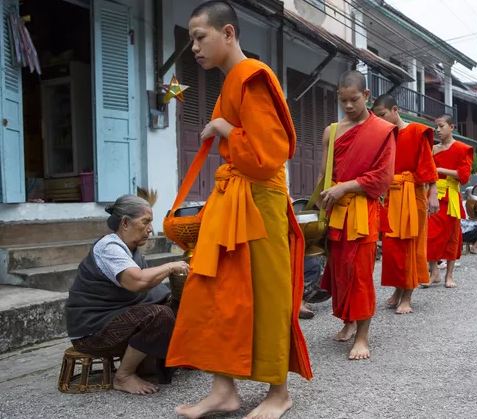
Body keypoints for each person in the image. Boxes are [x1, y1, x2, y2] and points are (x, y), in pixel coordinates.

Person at [166, 2, 312, 418]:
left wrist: (224, 128)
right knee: (215, 291)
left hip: (259, 202)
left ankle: (278, 392)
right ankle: (222, 388)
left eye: (200, 37)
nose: (193, 47)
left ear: (228, 33)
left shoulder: (252, 77)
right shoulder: (232, 80)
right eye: (191, 39)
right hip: (233, 201)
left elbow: (268, 155)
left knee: (266, 292)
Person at [65, 195, 189, 395]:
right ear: (125, 223)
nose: (150, 229)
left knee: (178, 306)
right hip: (92, 331)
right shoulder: (109, 248)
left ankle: (158, 362)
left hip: (116, 319)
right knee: (159, 315)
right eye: (145, 222)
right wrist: (170, 266)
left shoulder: (132, 250)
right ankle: (123, 377)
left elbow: (152, 292)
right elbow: (137, 282)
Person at [319, 70, 396, 360]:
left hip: (362, 210)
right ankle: (348, 321)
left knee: (360, 272)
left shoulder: (381, 131)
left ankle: (363, 336)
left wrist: (347, 187)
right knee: (340, 271)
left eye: (354, 100)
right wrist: (321, 201)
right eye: (343, 101)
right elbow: (325, 174)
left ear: (366, 96)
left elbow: (383, 177)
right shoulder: (332, 131)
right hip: (336, 210)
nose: (349, 106)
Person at [372, 94, 438, 314]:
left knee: (411, 244)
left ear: (395, 110)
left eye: (382, 115)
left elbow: (428, 165)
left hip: (413, 193)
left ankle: (407, 295)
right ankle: (398, 290)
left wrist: (433, 193)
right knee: (392, 246)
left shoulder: (417, 131)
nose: (380, 120)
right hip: (392, 194)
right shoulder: (384, 135)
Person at [426, 114, 473, 288]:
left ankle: (449, 275)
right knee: (429, 235)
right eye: (436, 127)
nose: (438, 130)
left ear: (452, 127)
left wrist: (440, 169)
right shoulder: (432, 149)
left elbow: (464, 175)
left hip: (451, 194)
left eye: (441, 126)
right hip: (432, 194)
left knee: (452, 236)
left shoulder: (462, 149)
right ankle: (434, 271)